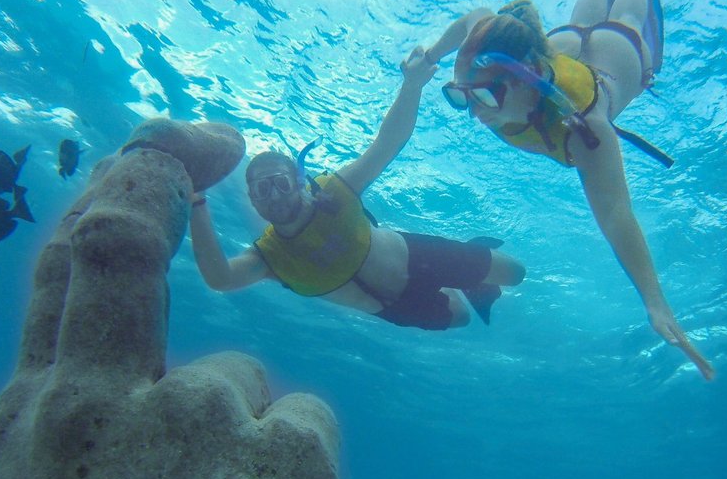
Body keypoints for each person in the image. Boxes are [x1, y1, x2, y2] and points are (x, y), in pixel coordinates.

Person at [422, 0, 715, 380]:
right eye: (461, 96)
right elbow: (475, 19)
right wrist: (431, 56)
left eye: (485, 96)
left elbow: (617, 216)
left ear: (531, 74)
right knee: (586, 17)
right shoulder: (498, 83)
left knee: (627, 21)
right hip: (561, 45)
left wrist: (656, 302)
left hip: (617, 59)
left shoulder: (585, 131)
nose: (475, 110)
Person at [189, 46, 525, 330]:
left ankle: (472, 272)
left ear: (300, 182)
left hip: (417, 256)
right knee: (463, 318)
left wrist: (412, 85)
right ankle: (466, 288)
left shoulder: (335, 190)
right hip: (395, 308)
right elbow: (220, 279)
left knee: (515, 273)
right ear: (255, 202)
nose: (274, 194)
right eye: (263, 191)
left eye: (280, 183)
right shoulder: (270, 258)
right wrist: (196, 199)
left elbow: (387, 143)